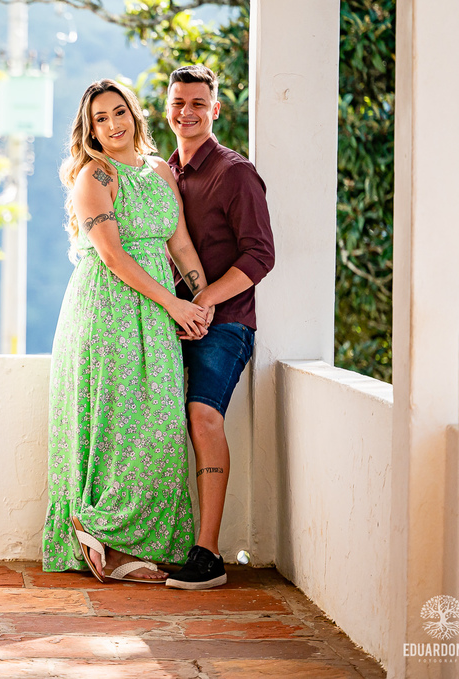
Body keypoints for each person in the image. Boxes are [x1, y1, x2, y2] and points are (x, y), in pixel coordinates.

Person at [43, 79, 214, 584]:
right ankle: (101, 537)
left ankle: (134, 536)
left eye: (120, 112)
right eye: (101, 118)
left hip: (159, 310)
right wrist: (175, 305)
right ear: (89, 127)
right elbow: (114, 256)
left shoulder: (161, 170)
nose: (114, 125)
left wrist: (201, 302)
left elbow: (179, 246)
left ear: (135, 115)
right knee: (118, 424)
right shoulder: (93, 175)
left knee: (157, 425)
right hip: (110, 309)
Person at [162, 65, 275, 591]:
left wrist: (205, 301)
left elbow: (261, 254)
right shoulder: (162, 173)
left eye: (198, 104)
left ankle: (208, 555)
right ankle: (150, 540)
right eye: (178, 102)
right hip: (168, 323)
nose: (187, 113)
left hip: (225, 324)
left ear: (216, 110)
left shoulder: (236, 173)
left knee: (203, 416)